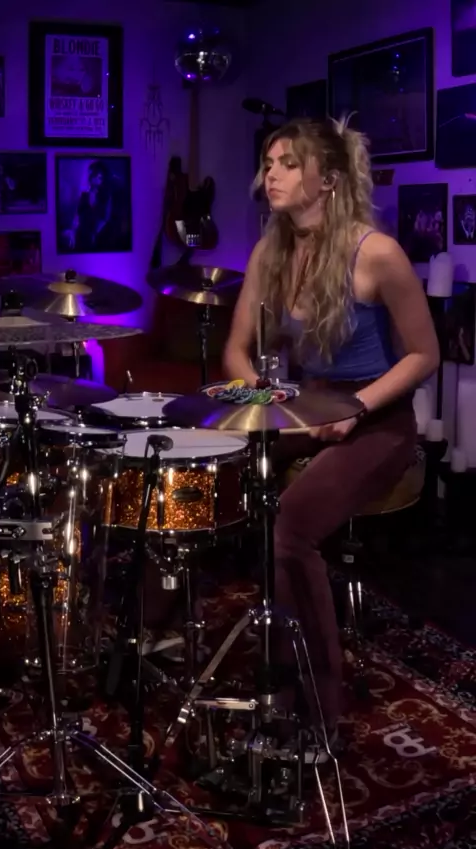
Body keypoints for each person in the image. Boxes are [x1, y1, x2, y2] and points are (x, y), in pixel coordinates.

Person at [223, 118, 439, 742]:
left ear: (330, 179)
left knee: (291, 529)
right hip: (305, 403)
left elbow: (425, 354)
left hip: (379, 417)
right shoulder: (269, 252)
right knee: (206, 464)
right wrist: (265, 403)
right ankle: (151, 638)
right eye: (269, 162)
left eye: (289, 163)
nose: (271, 173)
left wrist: (356, 409)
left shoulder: (376, 253)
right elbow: (237, 350)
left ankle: (318, 709)